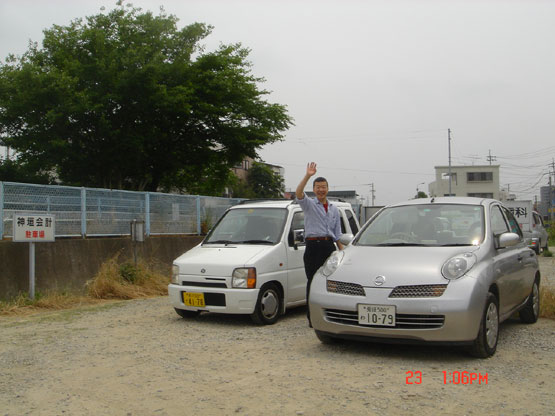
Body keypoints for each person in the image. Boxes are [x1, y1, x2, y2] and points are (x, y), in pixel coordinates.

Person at [296, 162, 343, 326]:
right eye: (318, 187)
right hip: (313, 247)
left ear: (327, 189)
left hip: (329, 247)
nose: (321, 190)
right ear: (314, 189)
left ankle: (332, 316)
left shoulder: (334, 209)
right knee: (312, 281)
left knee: (331, 282)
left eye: (323, 187)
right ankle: (313, 319)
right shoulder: (309, 205)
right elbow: (298, 193)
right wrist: (308, 175)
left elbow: (337, 234)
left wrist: (342, 251)